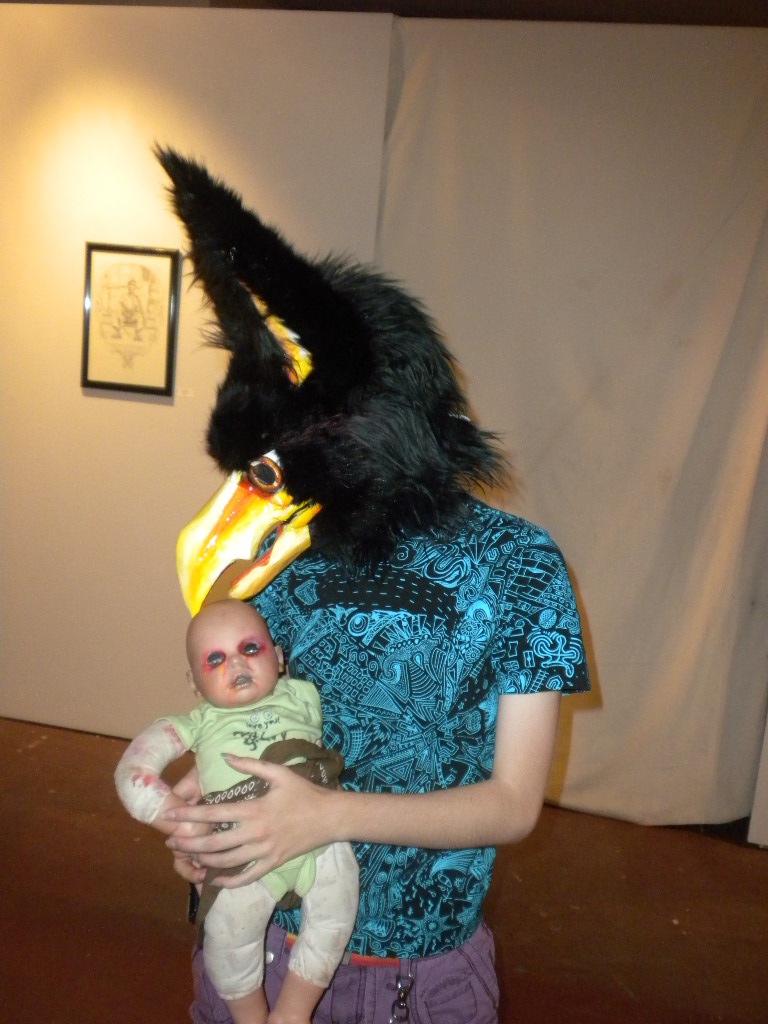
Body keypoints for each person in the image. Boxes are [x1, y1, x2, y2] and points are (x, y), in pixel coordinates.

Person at [153, 147, 591, 1023]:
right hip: (258, 953)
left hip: (415, 980)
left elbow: (513, 804)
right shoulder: (285, 548)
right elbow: (251, 707)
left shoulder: (522, 567)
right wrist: (208, 811)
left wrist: (325, 816)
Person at [115, 599, 359, 1024]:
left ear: (278, 658)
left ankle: (293, 1011)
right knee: (227, 935)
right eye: (215, 659)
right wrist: (183, 821)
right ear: (193, 683)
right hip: (239, 849)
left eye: (250, 648)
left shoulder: (303, 695)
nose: (236, 664)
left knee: (337, 905)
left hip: (319, 838)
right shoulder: (197, 722)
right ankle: (250, 1017)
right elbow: (131, 772)